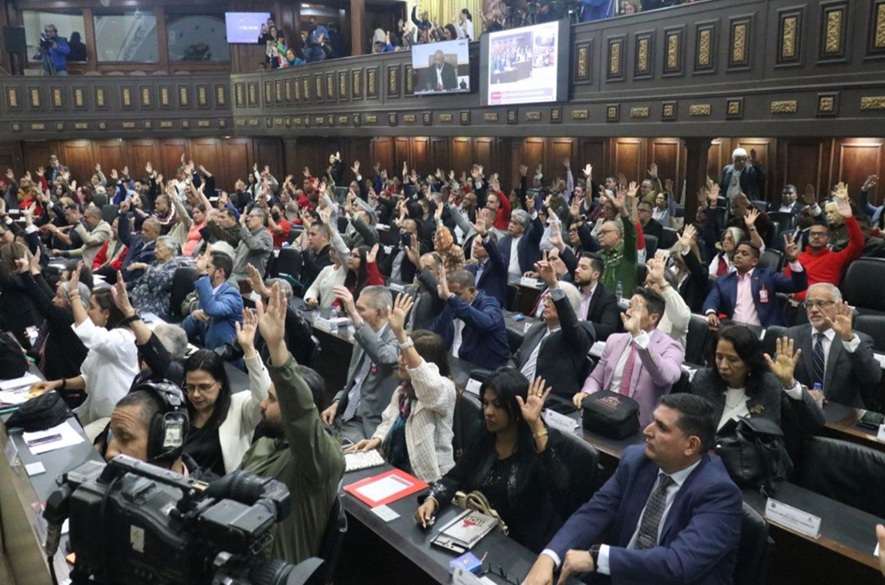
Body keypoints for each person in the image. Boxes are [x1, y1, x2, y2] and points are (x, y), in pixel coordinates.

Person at [523, 393, 742, 585]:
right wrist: (549, 556)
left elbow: (679, 563)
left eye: (661, 428)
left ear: (691, 445)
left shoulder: (719, 494)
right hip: (619, 577)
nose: (647, 431)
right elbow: (594, 512)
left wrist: (598, 558)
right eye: (653, 421)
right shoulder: (636, 460)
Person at [239, 282, 345, 564]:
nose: (263, 405)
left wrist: (277, 347)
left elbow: (300, 411)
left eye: (273, 400)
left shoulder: (321, 460)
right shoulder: (265, 444)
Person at [416, 369, 569, 553]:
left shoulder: (541, 442)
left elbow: (560, 489)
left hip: (522, 546)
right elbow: (456, 476)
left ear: (517, 408)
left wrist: (536, 425)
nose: (488, 412)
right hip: (481, 530)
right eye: (486, 403)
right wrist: (432, 499)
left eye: (498, 406)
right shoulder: (482, 433)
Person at [348, 294, 456, 483]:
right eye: (401, 354)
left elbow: (427, 382)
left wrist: (400, 334)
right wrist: (377, 439)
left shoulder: (445, 389)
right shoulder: (403, 390)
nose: (400, 360)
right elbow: (389, 421)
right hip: (395, 468)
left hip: (428, 478)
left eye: (406, 356)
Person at [29, 264, 139, 435]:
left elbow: (87, 332)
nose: (87, 312)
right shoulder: (104, 337)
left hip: (117, 418)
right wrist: (57, 383)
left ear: (106, 314)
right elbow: (88, 378)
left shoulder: (123, 338)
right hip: (95, 410)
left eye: (91, 307)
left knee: (78, 441)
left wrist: (74, 294)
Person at [573, 287, 684, 426]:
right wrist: (587, 393)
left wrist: (638, 336)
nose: (628, 312)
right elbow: (596, 378)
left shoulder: (670, 347)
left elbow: (665, 377)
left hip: (640, 427)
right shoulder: (615, 340)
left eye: (636, 309)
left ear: (653, 318)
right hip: (604, 416)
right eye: (630, 306)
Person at [690, 325, 825, 433]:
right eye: (719, 357)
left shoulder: (770, 386)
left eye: (732, 360)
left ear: (749, 362)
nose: (723, 365)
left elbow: (814, 423)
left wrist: (790, 384)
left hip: (757, 457)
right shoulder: (703, 380)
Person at [181, 311, 269, 475]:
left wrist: (249, 350)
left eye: (204, 387)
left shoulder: (238, 408)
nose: (196, 395)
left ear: (220, 383)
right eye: (190, 387)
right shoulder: (180, 411)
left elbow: (264, 397)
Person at [321, 286, 399, 442]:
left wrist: (356, 319)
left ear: (379, 312)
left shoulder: (397, 337)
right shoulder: (362, 335)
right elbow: (355, 382)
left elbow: (385, 358)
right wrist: (337, 402)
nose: (355, 313)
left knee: (332, 451)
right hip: (343, 413)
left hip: (365, 424)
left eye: (360, 309)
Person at [784, 283, 881, 409]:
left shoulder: (858, 340)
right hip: (802, 409)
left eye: (821, 303)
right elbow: (777, 376)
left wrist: (848, 339)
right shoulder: (792, 335)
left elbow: (872, 378)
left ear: (838, 305)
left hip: (844, 413)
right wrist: (801, 392)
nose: (814, 309)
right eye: (809, 304)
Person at [512, 258, 595, 401]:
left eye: (552, 300)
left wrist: (554, 286)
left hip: (550, 400)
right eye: (546, 299)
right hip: (519, 392)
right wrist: (508, 376)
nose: (545, 304)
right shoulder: (536, 329)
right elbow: (516, 359)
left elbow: (571, 326)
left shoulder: (580, 333)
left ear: (568, 307)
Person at [104, 382, 210, 478]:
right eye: (111, 436)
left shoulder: (210, 492)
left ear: (163, 443)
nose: (109, 453)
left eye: (125, 438)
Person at [704, 239, 807, 328]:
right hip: (734, 331)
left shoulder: (767, 276)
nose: (738, 256)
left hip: (763, 332)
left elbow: (798, 285)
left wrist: (793, 260)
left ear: (754, 261)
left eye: (744, 254)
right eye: (737, 252)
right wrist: (711, 312)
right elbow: (712, 299)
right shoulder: (723, 281)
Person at [429, 267, 511, 370]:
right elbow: (434, 331)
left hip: (482, 369)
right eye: (450, 293)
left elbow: (486, 323)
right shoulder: (453, 304)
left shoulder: (489, 304)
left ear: (472, 291)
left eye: (457, 294)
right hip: (455, 363)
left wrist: (451, 298)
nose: (454, 297)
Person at [786, 192, 862, 301]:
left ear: (828, 239)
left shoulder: (836, 258)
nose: (816, 237)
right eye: (813, 234)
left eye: (821, 234)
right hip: (794, 303)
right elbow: (785, 283)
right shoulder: (798, 257)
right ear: (808, 237)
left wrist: (849, 218)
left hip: (822, 304)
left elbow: (857, 244)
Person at [182, 250, 243, 350]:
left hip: (225, 357)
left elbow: (211, 309)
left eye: (207, 267)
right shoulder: (207, 292)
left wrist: (203, 274)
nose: (203, 269)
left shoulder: (232, 295)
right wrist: (194, 316)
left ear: (219, 272)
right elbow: (185, 331)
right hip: (206, 352)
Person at [128, 236, 193, 317]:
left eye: (158, 247)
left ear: (169, 250)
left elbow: (161, 280)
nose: (155, 251)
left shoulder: (174, 266)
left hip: (154, 305)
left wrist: (146, 267)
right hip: (138, 300)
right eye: (155, 247)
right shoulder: (155, 263)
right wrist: (127, 285)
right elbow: (141, 280)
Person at [573, 252, 620, 341]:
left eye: (583, 268)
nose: (577, 270)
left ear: (595, 275)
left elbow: (608, 329)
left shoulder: (607, 298)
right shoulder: (571, 289)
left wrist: (579, 324)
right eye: (578, 266)